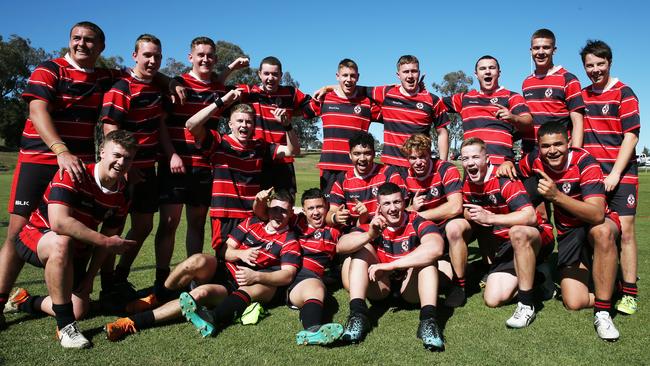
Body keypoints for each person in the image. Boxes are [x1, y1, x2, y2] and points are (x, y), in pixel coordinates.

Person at [0, 22, 119, 326]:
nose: (82, 44)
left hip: (75, 166)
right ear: (68, 41)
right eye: (76, 38)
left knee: (71, 232)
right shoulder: (50, 69)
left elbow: (141, 76)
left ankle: (68, 294)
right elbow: (37, 111)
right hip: (40, 160)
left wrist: (168, 82)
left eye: (90, 40)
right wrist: (60, 150)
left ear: (101, 47)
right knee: (17, 231)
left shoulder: (106, 77)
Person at [133, 37, 249, 312]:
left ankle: (192, 279)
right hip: (175, 164)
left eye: (210, 55)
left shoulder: (219, 87)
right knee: (170, 222)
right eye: (200, 55)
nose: (205, 59)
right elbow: (161, 123)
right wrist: (171, 153)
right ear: (190, 57)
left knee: (196, 223)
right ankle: (162, 280)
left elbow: (218, 82)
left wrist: (231, 69)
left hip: (205, 167)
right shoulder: (178, 83)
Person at [2, 130, 137, 348]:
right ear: (102, 152)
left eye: (128, 158)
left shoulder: (122, 193)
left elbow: (109, 238)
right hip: (36, 236)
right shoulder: (75, 173)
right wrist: (105, 241)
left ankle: (26, 301)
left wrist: (89, 278)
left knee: (79, 309)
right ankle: (65, 328)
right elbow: (59, 223)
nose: (122, 162)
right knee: (61, 241)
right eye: (117, 155)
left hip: (75, 250)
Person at [497, 121, 621, 341]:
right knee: (574, 302)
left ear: (569, 143)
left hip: (595, 224)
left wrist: (556, 197)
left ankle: (603, 312)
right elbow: (517, 170)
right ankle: (613, 286)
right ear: (539, 146)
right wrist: (507, 164)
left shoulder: (586, 162)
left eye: (558, 144)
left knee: (602, 231)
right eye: (546, 146)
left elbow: (596, 214)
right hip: (569, 232)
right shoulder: (535, 160)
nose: (552, 150)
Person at [100, 34, 177, 304]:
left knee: (143, 225)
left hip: (148, 170)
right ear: (135, 55)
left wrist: (171, 155)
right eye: (147, 55)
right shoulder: (122, 87)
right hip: (122, 172)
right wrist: (124, 168)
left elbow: (161, 127)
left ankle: (120, 276)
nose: (153, 60)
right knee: (114, 229)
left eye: (157, 56)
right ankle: (106, 283)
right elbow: (111, 129)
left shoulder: (158, 89)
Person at [337, 182, 446, 351]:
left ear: (404, 203)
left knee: (428, 259)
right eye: (387, 203)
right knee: (360, 249)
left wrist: (391, 265)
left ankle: (428, 322)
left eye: (397, 202)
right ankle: (358, 315)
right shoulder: (374, 223)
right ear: (379, 206)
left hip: (409, 289)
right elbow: (341, 246)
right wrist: (370, 235)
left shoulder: (416, 221)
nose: (393, 208)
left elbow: (436, 247)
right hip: (381, 287)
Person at [460, 137, 553, 328]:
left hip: (535, 235)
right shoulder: (468, 184)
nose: (470, 163)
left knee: (518, 232)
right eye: (465, 158)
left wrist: (490, 218)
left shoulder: (504, 179)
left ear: (487, 159)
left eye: (475, 157)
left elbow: (530, 216)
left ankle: (526, 305)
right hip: (508, 245)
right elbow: (465, 210)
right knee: (493, 299)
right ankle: (539, 275)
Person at [181, 189, 301, 337]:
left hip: (238, 283)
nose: (278, 214)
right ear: (268, 209)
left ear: (291, 213)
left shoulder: (290, 240)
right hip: (224, 268)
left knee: (199, 294)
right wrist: (241, 254)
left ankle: (211, 318)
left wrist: (256, 276)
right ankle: (162, 294)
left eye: (283, 211)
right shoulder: (253, 222)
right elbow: (223, 250)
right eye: (275, 209)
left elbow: (288, 275)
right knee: (196, 262)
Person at [185, 102, 299, 252]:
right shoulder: (218, 142)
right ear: (230, 124)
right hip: (226, 213)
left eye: (248, 121)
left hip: (252, 215)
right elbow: (191, 125)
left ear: (253, 125)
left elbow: (293, 150)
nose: (244, 125)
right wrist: (221, 102)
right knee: (224, 256)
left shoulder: (259, 146)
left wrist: (287, 126)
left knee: (250, 258)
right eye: (239, 121)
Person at [580, 40, 640, 316]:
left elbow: (631, 135)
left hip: (621, 174)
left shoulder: (623, 92)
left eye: (599, 64)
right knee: (597, 232)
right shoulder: (582, 96)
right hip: (592, 177)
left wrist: (615, 172)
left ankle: (629, 292)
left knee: (625, 233)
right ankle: (606, 281)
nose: (595, 70)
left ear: (610, 63)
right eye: (589, 65)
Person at [258, 188, 344, 345]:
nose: (316, 212)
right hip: (281, 270)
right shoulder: (296, 221)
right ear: (304, 210)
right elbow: (265, 214)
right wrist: (260, 200)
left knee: (316, 290)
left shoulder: (335, 230)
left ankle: (312, 331)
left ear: (327, 208)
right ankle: (212, 313)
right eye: (311, 208)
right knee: (249, 287)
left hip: (307, 279)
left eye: (320, 207)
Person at [399, 134, 468, 307]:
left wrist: (419, 215)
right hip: (424, 231)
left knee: (454, 227)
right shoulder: (404, 175)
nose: (418, 162)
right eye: (413, 158)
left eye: (422, 156)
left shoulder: (446, 169)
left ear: (430, 154)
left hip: (447, 225)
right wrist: (413, 208)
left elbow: (455, 207)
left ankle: (459, 286)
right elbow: (398, 212)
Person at [303, 59, 380, 194]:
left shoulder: (367, 103)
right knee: (328, 210)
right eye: (345, 75)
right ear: (337, 76)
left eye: (352, 76)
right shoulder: (324, 99)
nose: (348, 79)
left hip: (357, 168)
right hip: (330, 167)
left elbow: (393, 114)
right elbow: (299, 111)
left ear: (358, 77)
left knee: (356, 210)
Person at [237, 56, 312, 194]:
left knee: (285, 208)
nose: (270, 78)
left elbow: (313, 107)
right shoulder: (248, 92)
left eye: (275, 74)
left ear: (281, 76)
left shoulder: (290, 93)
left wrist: (293, 113)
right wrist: (232, 68)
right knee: (259, 207)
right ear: (259, 74)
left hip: (284, 161)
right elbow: (217, 89)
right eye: (266, 73)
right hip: (257, 160)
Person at [443, 55, 533, 166]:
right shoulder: (464, 98)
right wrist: (418, 89)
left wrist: (513, 117)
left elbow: (528, 123)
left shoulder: (512, 97)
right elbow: (433, 104)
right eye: (482, 69)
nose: (487, 72)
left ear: (499, 72)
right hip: (472, 167)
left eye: (491, 68)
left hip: (501, 167)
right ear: (476, 74)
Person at [521, 28, 585, 154]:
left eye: (546, 47)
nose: (540, 52)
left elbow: (578, 122)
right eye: (536, 48)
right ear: (530, 51)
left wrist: (576, 155)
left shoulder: (568, 79)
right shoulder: (526, 82)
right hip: (530, 153)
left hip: (556, 153)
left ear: (554, 50)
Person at [326, 132, 405, 228]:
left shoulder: (389, 174)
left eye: (367, 153)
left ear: (374, 154)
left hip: (387, 228)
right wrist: (336, 217)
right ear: (350, 155)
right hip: (358, 232)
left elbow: (402, 208)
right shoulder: (342, 180)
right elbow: (330, 215)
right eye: (357, 154)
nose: (362, 158)